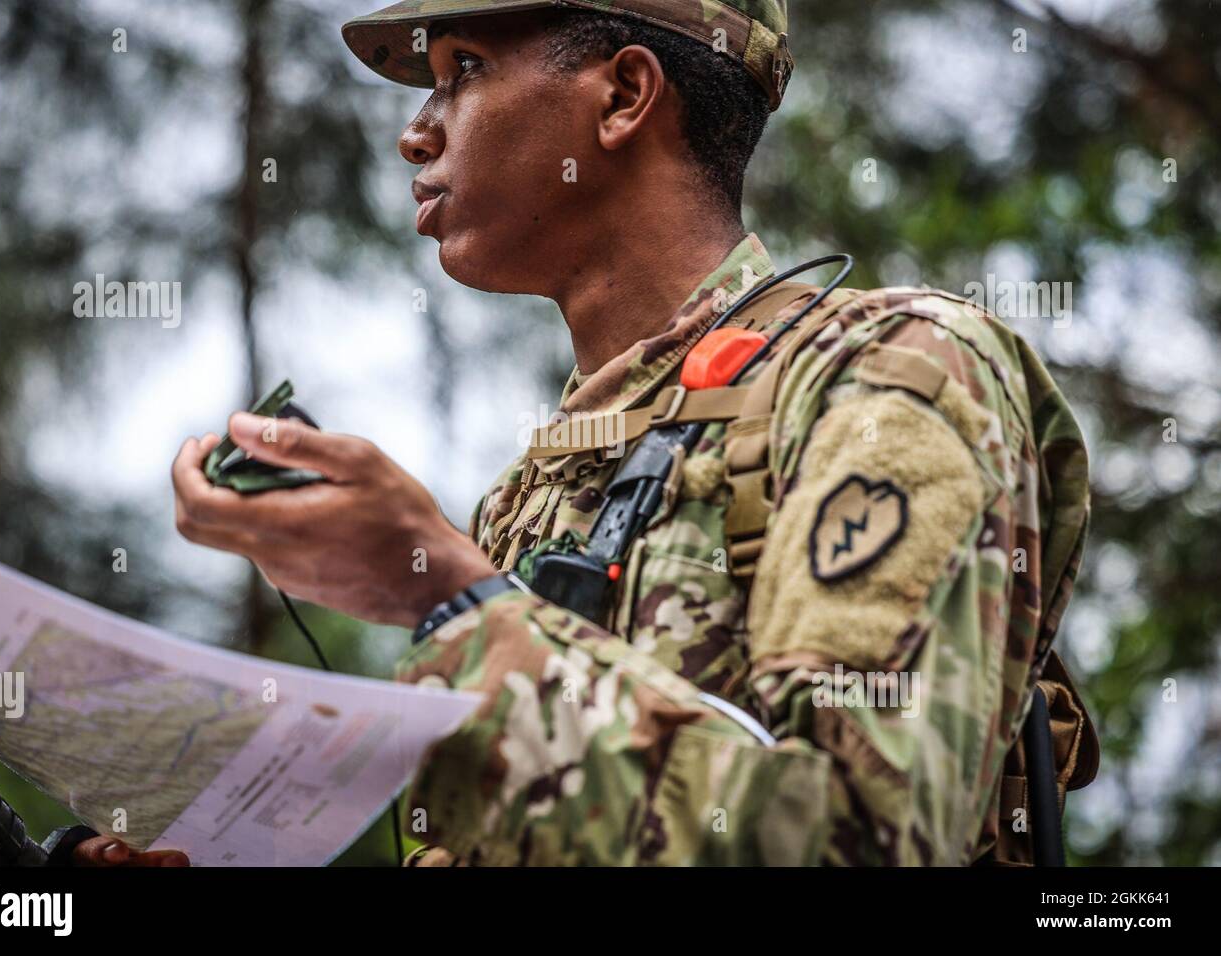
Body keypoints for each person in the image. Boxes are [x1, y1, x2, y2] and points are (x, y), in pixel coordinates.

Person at [169, 0, 1098, 866]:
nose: (416, 129)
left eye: (463, 69)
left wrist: (451, 600)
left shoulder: (889, 370)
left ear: (623, 96)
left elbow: (861, 835)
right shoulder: (528, 500)